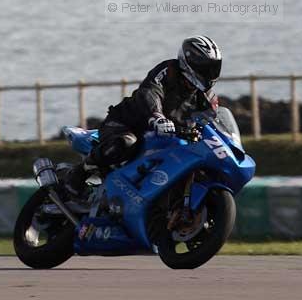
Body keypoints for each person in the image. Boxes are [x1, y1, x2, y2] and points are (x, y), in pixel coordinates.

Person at [65, 35, 222, 196]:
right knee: (126, 143)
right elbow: (151, 92)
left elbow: (213, 118)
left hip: (165, 137)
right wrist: (157, 116)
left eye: (213, 67)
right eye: (206, 67)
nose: (210, 72)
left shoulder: (205, 96)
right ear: (190, 63)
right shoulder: (169, 71)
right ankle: (79, 173)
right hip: (127, 123)